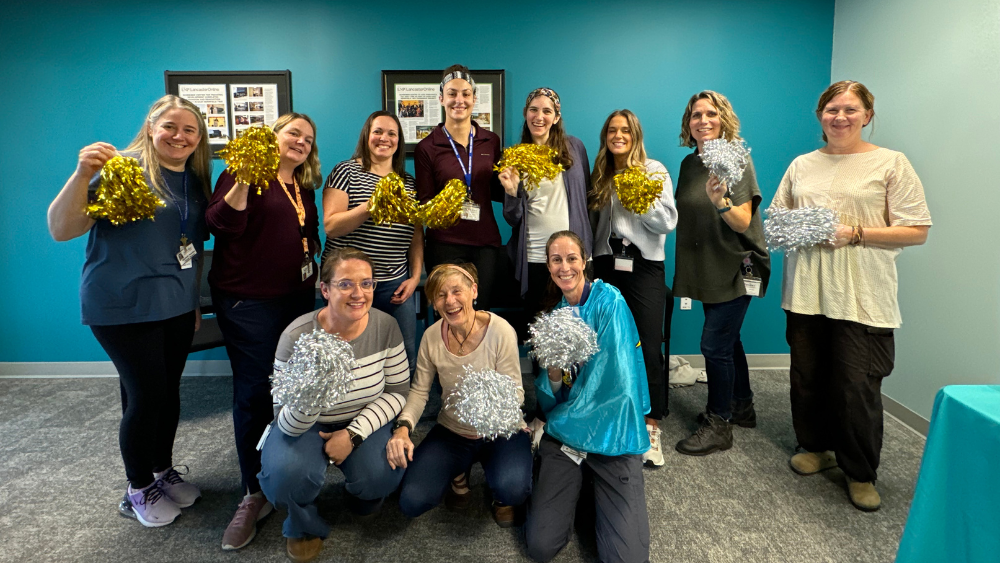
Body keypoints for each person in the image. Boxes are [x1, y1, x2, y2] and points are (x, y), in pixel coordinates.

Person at [46, 95, 211, 527]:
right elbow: (62, 229)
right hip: (120, 304)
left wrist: (192, 302)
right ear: (151, 127)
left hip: (174, 305)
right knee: (147, 395)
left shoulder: (194, 181)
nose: (179, 136)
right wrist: (83, 174)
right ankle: (137, 488)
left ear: (199, 138)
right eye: (170, 127)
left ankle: (161, 471)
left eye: (189, 129)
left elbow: (191, 250)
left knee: (167, 392)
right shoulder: (124, 169)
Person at [773, 80, 931, 512]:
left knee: (857, 385)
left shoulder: (890, 163)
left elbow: (917, 229)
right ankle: (815, 446)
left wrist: (856, 233)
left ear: (867, 115)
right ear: (819, 115)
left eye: (849, 109)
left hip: (862, 294)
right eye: (831, 109)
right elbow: (777, 219)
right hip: (805, 291)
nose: (839, 117)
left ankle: (859, 470)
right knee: (807, 377)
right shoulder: (802, 165)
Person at [206, 113, 322, 550]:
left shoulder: (302, 187)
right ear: (272, 137)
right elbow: (220, 225)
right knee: (255, 393)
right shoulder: (242, 174)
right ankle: (252, 493)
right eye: (293, 133)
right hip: (248, 303)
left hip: (295, 299)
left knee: (290, 392)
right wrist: (243, 180)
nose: (300, 142)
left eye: (308, 139)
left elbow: (307, 236)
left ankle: (283, 476)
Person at [258, 248, 409, 563]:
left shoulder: (386, 326)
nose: (359, 294)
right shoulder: (296, 336)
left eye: (366, 284)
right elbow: (284, 420)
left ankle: (361, 496)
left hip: (361, 419)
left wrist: (353, 434)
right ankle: (302, 526)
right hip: (306, 426)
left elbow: (397, 391)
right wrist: (316, 390)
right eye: (346, 284)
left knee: (383, 475)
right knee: (285, 479)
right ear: (324, 289)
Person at [524, 230, 651, 563]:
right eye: (556, 260)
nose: (564, 267)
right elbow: (551, 401)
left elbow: (618, 382)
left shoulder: (610, 302)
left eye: (571, 258)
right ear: (548, 267)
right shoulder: (552, 320)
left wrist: (577, 416)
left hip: (613, 433)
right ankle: (577, 492)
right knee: (540, 546)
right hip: (568, 437)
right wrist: (552, 374)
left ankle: (590, 489)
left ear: (585, 262)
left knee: (627, 560)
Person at [387, 263, 532, 527]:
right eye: (441, 295)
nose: (450, 301)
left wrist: (486, 409)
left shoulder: (500, 331)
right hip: (452, 431)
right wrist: (403, 427)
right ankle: (459, 474)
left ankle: (500, 495)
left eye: (457, 291)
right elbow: (420, 391)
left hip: (500, 430)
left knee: (513, 489)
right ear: (434, 302)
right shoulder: (431, 337)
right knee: (412, 500)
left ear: (473, 291)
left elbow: (517, 393)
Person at [672, 91, 771, 456]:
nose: (703, 120)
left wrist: (721, 202)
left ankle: (719, 422)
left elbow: (743, 221)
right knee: (728, 340)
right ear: (689, 124)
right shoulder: (688, 165)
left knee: (713, 345)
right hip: (706, 264)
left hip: (736, 263)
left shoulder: (737, 159)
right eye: (696, 115)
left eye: (710, 113)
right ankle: (742, 406)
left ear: (723, 118)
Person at [589, 109, 678, 467]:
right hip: (607, 264)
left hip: (643, 267)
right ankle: (612, 411)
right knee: (607, 342)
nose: (618, 135)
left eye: (625, 130)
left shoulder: (654, 170)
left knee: (647, 342)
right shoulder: (601, 173)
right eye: (612, 130)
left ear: (635, 134)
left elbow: (667, 221)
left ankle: (651, 423)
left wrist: (637, 198)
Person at [323, 111, 422, 377]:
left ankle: (400, 413)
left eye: (392, 133)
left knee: (404, 354)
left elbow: (415, 234)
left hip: (395, 283)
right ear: (367, 135)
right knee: (344, 354)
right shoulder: (346, 171)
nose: (384, 138)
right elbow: (331, 227)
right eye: (378, 131)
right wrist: (372, 205)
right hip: (348, 284)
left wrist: (414, 277)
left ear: (399, 141)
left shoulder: (408, 183)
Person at [499, 87, 593, 335]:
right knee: (540, 327)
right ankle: (545, 375)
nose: (539, 117)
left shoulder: (575, 148)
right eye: (534, 110)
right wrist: (510, 193)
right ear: (525, 113)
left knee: (577, 325)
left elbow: (587, 198)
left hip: (572, 255)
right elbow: (512, 219)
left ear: (556, 117)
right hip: (535, 256)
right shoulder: (515, 157)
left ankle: (575, 376)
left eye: (547, 111)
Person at [414, 64, 504, 311]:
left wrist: (514, 185)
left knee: (480, 311)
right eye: (452, 93)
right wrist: (446, 204)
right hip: (444, 243)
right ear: (441, 98)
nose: (459, 100)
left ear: (475, 99)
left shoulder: (490, 140)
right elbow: (424, 202)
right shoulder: (427, 147)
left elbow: (497, 191)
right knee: (450, 311)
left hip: (485, 242)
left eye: (465, 94)